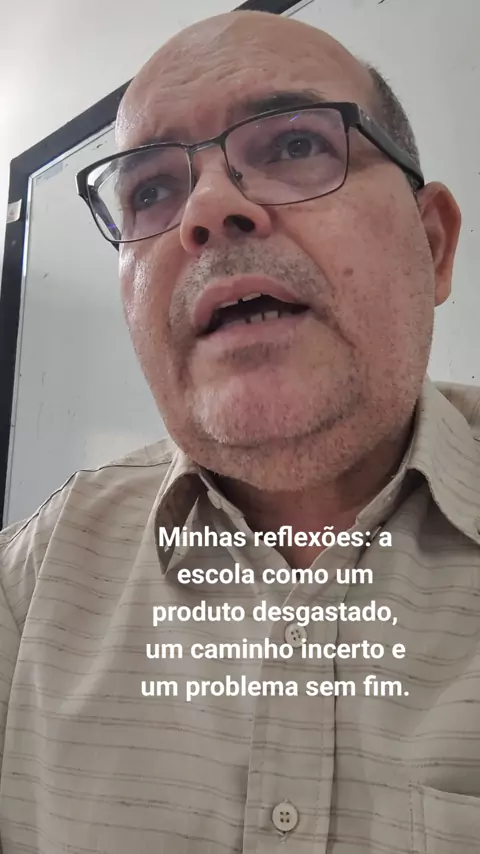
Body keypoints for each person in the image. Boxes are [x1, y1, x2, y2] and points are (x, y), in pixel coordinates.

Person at [1, 8, 480, 853]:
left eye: (295, 144)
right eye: (151, 191)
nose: (209, 210)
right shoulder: (29, 587)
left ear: (432, 243)